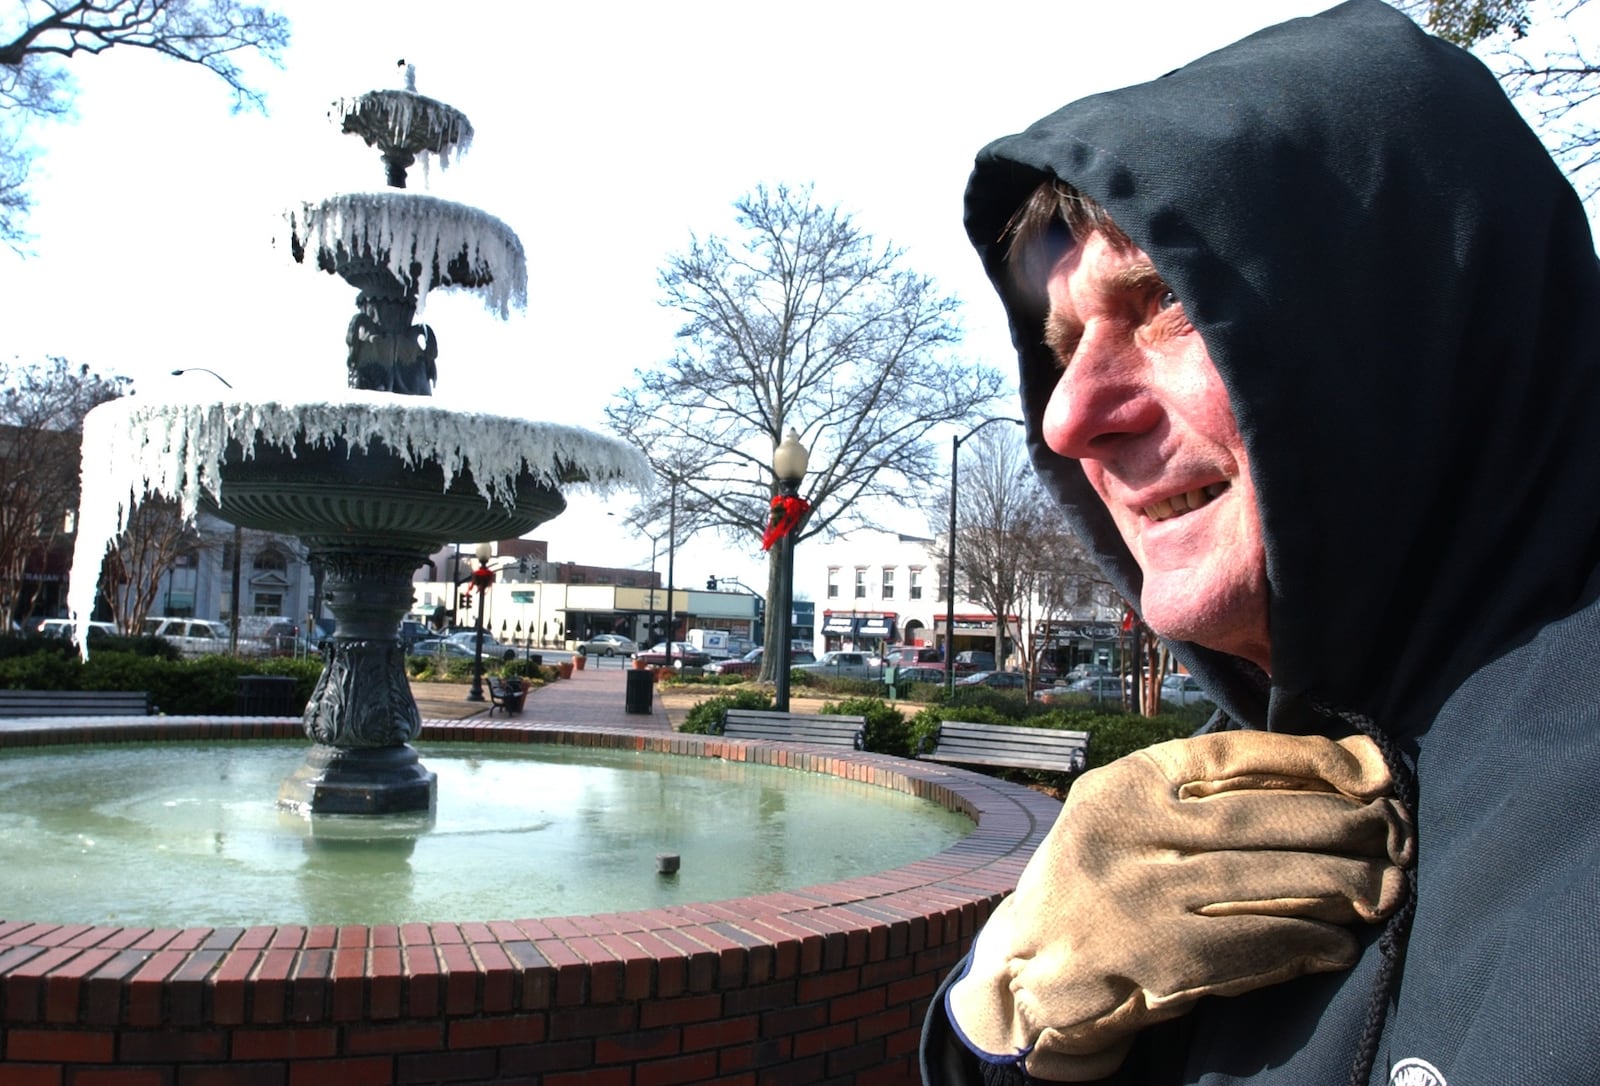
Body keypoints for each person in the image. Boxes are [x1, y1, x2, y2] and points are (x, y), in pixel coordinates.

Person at [922, 2, 1600, 1084]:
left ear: (1409, 321)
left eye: (1162, 303)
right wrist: (995, 1032)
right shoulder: (1225, 794)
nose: (1065, 417)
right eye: (1061, 347)